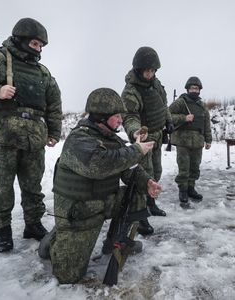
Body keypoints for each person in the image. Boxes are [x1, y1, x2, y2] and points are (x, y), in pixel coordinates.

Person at [38, 88, 162, 284]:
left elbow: (126, 169)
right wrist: (136, 151)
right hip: (79, 212)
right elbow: (99, 165)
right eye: (116, 116)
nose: (121, 120)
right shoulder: (79, 139)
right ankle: (56, 238)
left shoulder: (112, 139)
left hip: (104, 201)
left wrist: (147, 182)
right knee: (68, 276)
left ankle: (117, 244)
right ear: (101, 117)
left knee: (136, 194)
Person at [0, 18, 62, 252]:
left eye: (41, 45)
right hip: (2, 136)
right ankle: (2, 229)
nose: (38, 49)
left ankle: (33, 223)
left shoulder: (42, 71)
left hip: (34, 138)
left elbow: (54, 103)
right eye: (34, 43)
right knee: (1, 186)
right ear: (20, 39)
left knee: (33, 185)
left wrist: (54, 131)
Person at [121, 46, 174, 235]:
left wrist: (168, 120)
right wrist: (136, 132)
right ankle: (140, 216)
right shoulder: (131, 91)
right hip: (144, 139)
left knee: (157, 171)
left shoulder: (156, 84)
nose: (150, 74)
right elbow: (129, 116)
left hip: (158, 135)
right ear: (138, 69)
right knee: (145, 175)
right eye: (146, 71)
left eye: (152, 71)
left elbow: (163, 105)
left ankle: (151, 203)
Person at [169, 76, 212, 208]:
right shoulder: (181, 102)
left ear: (199, 90)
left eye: (197, 88)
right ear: (187, 89)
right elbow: (167, 114)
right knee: (184, 168)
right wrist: (184, 117)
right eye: (192, 88)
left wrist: (208, 139)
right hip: (183, 140)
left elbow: (206, 124)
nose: (194, 90)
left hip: (198, 141)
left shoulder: (202, 106)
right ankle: (183, 190)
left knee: (194, 167)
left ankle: (191, 189)